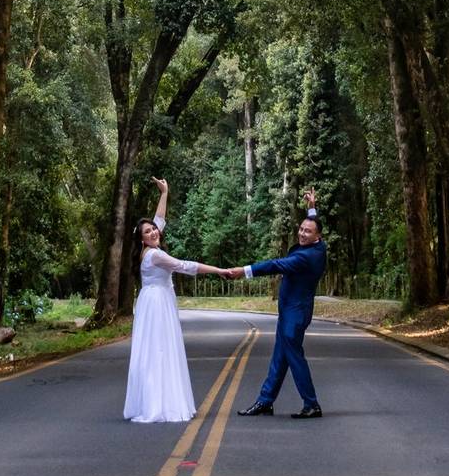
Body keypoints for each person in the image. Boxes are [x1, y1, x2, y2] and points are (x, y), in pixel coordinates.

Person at [124, 177, 228, 423]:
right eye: (147, 232)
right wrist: (219, 270)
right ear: (142, 239)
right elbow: (184, 266)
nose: (154, 232)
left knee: (157, 349)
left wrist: (164, 193)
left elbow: (159, 220)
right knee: (159, 349)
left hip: (153, 299)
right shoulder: (155, 256)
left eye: (153, 230)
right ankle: (158, 404)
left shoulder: (147, 249)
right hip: (157, 302)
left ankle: (158, 398)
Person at [226, 188, 326, 419]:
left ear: (316, 237)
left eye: (307, 232)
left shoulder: (305, 257)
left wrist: (244, 271)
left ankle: (311, 404)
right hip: (292, 310)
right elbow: (314, 224)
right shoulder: (319, 246)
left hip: (295, 313)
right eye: (301, 229)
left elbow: (274, 264)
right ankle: (265, 400)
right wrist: (312, 207)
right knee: (279, 357)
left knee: (293, 357)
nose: (302, 234)